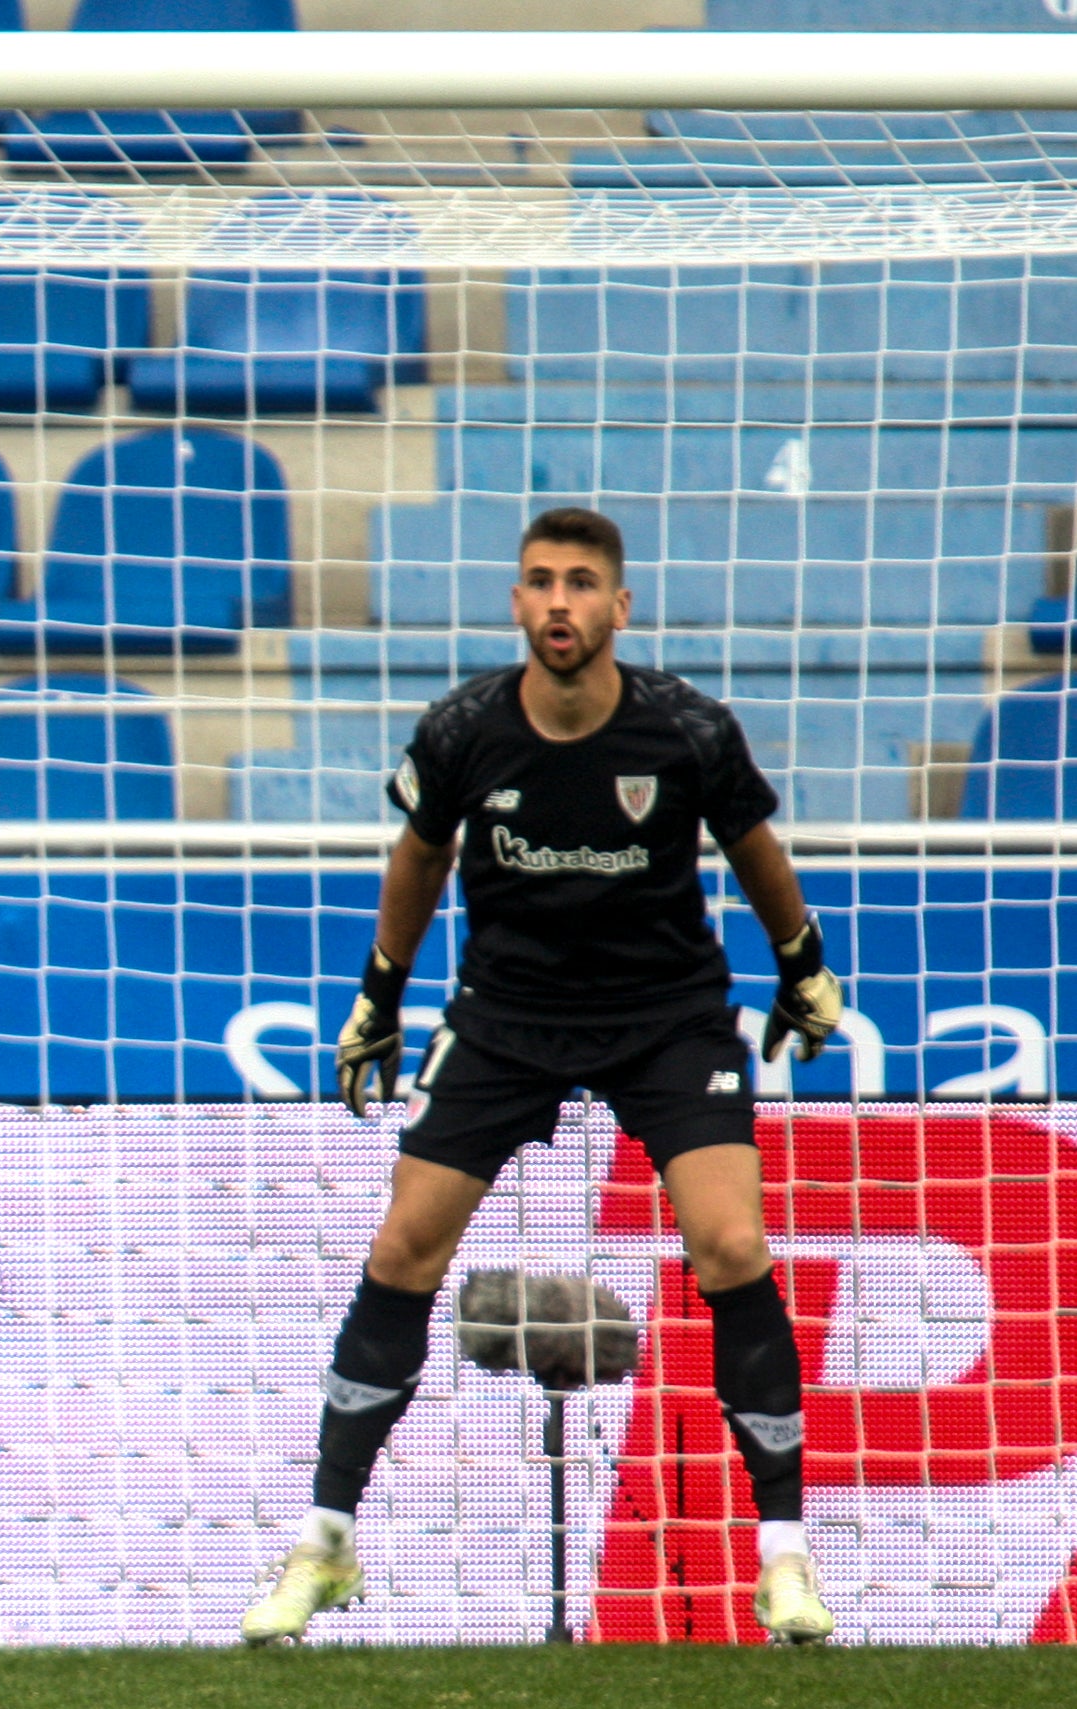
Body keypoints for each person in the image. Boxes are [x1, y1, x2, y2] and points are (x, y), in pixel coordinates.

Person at [240, 507, 844, 1647]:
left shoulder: (685, 730)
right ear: (515, 604)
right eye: (537, 583)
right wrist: (379, 991)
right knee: (400, 1247)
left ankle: (782, 1559)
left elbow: (752, 843)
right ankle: (323, 1540)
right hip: (507, 1017)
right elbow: (417, 855)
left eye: (578, 583)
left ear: (618, 607)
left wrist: (800, 960)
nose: (557, 602)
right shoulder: (463, 729)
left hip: (664, 1018)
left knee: (729, 1246)